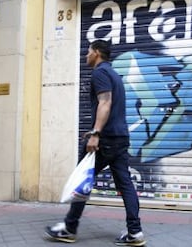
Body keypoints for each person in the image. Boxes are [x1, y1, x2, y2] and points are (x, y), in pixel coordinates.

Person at [45, 40, 146, 246]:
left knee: (83, 180)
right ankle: (135, 232)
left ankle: (69, 228)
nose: (86, 55)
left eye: (88, 51)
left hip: (105, 139)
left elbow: (105, 102)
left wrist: (95, 133)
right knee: (125, 183)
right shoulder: (115, 75)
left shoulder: (100, 73)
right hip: (120, 137)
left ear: (97, 53)